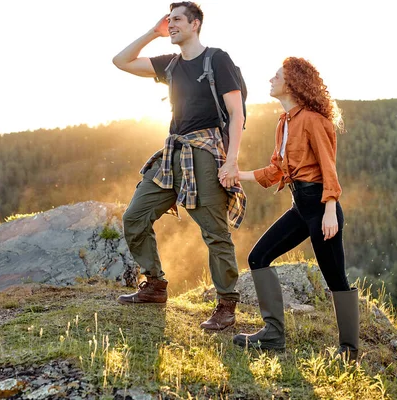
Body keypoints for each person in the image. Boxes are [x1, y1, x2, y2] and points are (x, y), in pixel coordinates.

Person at [111, 2, 246, 331]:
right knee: (135, 217)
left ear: (195, 24)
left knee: (214, 231)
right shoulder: (169, 65)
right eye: (168, 20)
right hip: (174, 150)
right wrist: (152, 33)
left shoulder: (217, 60)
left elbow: (237, 113)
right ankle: (155, 286)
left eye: (177, 20)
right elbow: (121, 61)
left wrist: (231, 162)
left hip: (205, 150)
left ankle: (226, 306)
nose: (170, 25)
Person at [231, 57, 359, 361]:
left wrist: (330, 209)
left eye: (276, 76)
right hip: (300, 208)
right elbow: (277, 169)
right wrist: (239, 175)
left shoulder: (314, 120)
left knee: (335, 278)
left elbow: (329, 168)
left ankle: (349, 351)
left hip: (320, 208)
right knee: (257, 257)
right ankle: (273, 335)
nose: (271, 80)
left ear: (292, 83)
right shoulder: (284, 122)